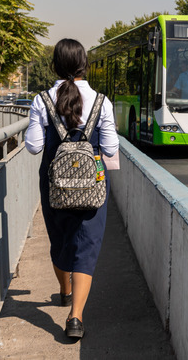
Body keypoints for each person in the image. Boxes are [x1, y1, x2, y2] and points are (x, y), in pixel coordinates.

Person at [25, 38, 119, 339]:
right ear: (84, 65)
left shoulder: (41, 100)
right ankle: (75, 317)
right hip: (92, 186)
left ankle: (64, 290)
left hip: (55, 186)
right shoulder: (102, 101)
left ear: (54, 65)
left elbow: (33, 146)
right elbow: (111, 147)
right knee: (87, 245)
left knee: (61, 240)